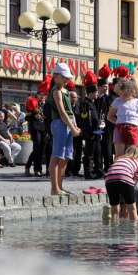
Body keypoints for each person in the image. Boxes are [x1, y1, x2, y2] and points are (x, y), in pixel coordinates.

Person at [48, 63, 81, 196]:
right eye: (64, 77)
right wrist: (72, 127)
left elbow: (71, 112)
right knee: (56, 156)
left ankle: (60, 187)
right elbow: (62, 113)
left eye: (68, 77)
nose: (67, 80)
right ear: (56, 76)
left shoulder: (66, 91)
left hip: (68, 124)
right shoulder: (56, 91)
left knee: (66, 157)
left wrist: (75, 125)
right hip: (60, 124)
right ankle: (54, 188)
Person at [107, 77, 138, 158]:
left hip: (133, 129)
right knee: (119, 156)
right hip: (119, 129)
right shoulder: (117, 101)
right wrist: (119, 122)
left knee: (132, 155)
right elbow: (109, 116)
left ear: (132, 91)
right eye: (120, 94)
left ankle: (131, 170)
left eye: (125, 94)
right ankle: (118, 170)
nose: (122, 96)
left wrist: (134, 122)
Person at [104, 145, 138, 221]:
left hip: (109, 179)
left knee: (114, 208)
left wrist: (123, 205)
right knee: (132, 208)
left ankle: (113, 228)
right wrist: (126, 205)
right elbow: (132, 184)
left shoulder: (119, 159)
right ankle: (134, 229)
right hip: (125, 177)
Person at [24, 76, 51, 177]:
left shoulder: (46, 104)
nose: (43, 97)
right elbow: (26, 117)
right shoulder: (32, 103)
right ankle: (36, 169)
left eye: (44, 95)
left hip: (44, 128)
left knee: (45, 148)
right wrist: (33, 116)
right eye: (41, 95)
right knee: (38, 148)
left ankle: (46, 169)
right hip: (35, 128)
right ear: (37, 94)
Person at [81, 71, 104, 180]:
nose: (97, 94)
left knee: (98, 153)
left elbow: (95, 120)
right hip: (90, 134)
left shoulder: (92, 103)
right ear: (90, 93)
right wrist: (91, 133)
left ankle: (100, 171)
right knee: (89, 154)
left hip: (96, 133)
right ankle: (88, 172)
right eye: (95, 92)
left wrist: (99, 131)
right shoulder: (85, 104)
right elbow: (86, 121)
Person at [65, 81, 83, 177]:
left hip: (78, 132)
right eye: (72, 97)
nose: (74, 99)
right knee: (70, 151)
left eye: (75, 97)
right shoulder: (66, 107)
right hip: (69, 132)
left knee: (78, 151)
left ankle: (76, 170)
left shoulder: (78, 107)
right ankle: (68, 170)